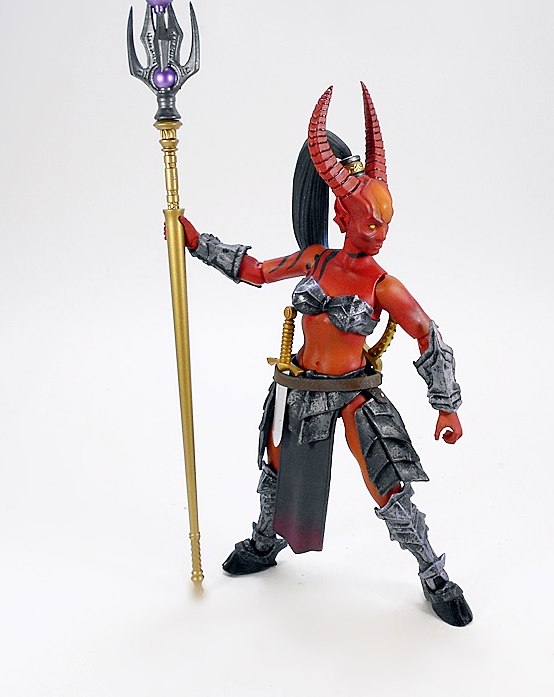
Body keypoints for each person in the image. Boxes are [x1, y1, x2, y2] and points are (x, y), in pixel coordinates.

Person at [178, 83, 472, 626]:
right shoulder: (314, 259)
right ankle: (265, 541)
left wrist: (446, 404)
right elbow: (256, 271)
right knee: (275, 471)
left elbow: (427, 333)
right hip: (299, 390)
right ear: (343, 215)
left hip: (356, 395)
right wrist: (198, 245)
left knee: (390, 486)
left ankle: (433, 572)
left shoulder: (382, 284)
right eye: (370, 222)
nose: (379, 234)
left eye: (385, 223)